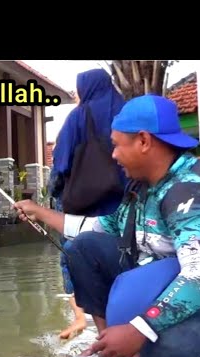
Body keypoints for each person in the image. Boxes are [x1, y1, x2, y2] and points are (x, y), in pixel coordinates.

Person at [14, 94, 200, 357]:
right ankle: (110, 347)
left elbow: (199, 276)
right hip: (152, 293)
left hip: (193, 304)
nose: (114, 155)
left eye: (117, 144)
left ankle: (135, 352)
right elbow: (95, 228)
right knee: (82, 248)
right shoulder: (138, 191)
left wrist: (140, 329)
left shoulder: (186, 191)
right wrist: (40, 212)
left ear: (143, 141)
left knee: (170, 355)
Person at [49, 68, 127, 339]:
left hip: (81, 201)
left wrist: (54, 194)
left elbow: (61, 163)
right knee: (120, 253)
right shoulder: (124, 111)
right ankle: (122, 315)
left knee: (73, 251)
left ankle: (82, 318)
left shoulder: (78, 117)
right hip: (121, 202)